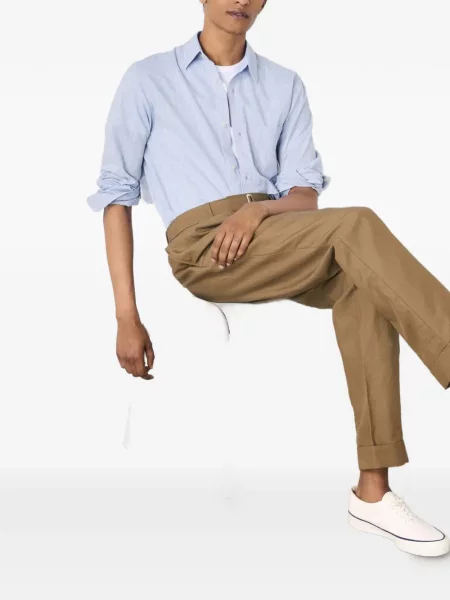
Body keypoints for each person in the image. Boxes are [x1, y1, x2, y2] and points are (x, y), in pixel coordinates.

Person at [86, 0, 450, 557]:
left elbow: (304, 195)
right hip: (203, 247)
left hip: (276, 230)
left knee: (363, 283)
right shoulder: (148, 79)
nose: (241, 0)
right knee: (357, 225)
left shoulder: (284, 85)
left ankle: (372, 493)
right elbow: (117, 196)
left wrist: (257, 211)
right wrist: (125, 316)